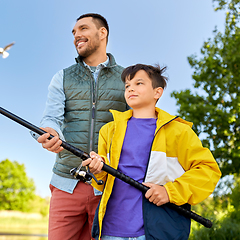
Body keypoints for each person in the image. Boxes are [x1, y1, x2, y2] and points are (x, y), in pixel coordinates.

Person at [82, 64, 221, 240]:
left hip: (158, 231)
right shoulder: (109, 131)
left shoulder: (179, 131)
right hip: (111, 230)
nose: (130, 88)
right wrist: (98, 169)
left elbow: (208, 170)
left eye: (139, 83)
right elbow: (101, 182)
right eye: (127, 85)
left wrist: (170, 192)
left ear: (157, 92)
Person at [36, 13, 128, 239]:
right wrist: (50, 132)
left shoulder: (128, 78)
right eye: (74, 32)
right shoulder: (62, 77)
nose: (77, 35)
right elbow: (51, 117)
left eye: (83, 29)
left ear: (102, 33)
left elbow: (136, 129)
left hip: (109, 188)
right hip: (65, 184)